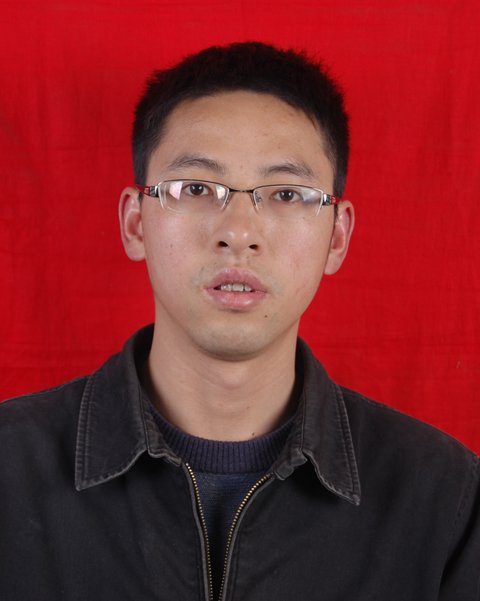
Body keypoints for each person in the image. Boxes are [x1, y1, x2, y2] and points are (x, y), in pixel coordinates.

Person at [0, 42, 478, 601]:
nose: (239, 232)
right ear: (135, 223)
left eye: (287, 194)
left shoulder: (444, 500)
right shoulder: (10, 473)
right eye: (196, 188)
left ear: (337, 236)